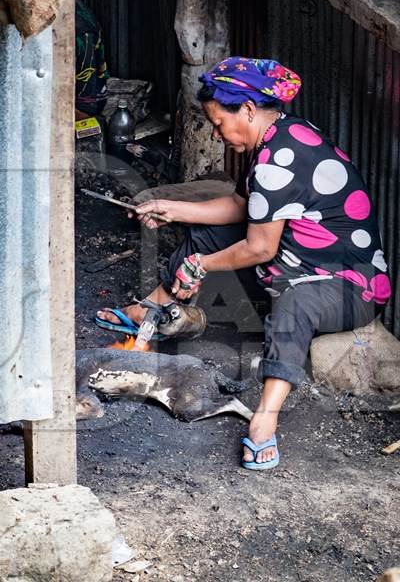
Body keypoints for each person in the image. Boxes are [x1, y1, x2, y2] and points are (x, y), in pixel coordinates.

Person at [96, 57, 391, 470]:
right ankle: (150, 309)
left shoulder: (279, 159)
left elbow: (258, 249)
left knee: (294, 305)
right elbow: (240, 205)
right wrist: (173, 209)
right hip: (296, 261)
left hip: (348, 286)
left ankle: (264, 421)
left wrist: (201, 266)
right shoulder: (280, 137)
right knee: (207, 236)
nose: (217, 134)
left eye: (219, 123)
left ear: (248, 111)